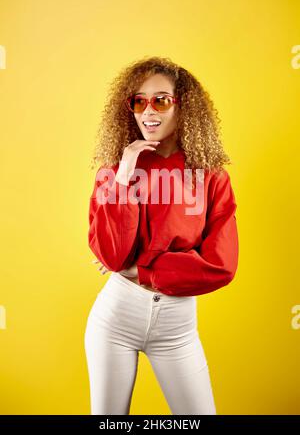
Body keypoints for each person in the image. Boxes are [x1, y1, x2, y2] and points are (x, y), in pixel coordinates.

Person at [84, 56, 239, 415]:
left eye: (161, 99)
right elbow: (111, 256)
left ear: (185, 107)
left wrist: (141, 271)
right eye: (138, 101)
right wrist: (123, 173)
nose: (148, 111)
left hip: (177, 329)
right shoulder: (114, 172)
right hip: (115, 320)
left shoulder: (212, 178)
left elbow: (221, 265)